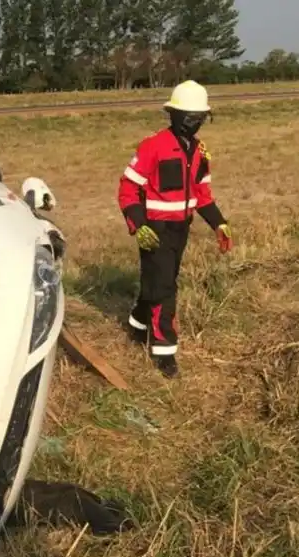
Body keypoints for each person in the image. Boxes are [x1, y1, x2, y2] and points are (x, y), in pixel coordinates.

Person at [116, 80, 233, 378]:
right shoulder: (152, 146)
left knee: (159, 281)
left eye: (201, 118)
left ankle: (137, 324)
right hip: (154, 230)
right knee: (165, 288)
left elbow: (202, 194)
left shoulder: (200, 152)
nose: (196, 123)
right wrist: (139, 225)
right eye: (191, 117)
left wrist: (219, 223)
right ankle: (164, 350)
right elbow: (128, 189)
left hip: (181, 229)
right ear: (174, 115)